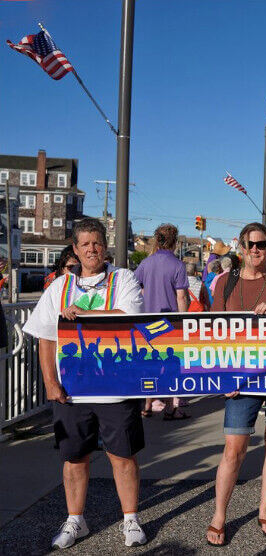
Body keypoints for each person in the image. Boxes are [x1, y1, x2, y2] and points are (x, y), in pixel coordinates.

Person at [22, 218, 147, 549]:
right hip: (72, 391)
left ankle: (131, 519)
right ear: (75, 250)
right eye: (85, 243)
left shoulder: (123, 279)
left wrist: (86, 315)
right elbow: (46, 338)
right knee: (74, 457)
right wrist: (50, 382)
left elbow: (130, 316)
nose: (92, 248)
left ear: (104, 246)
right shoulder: (59, 287)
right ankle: (75, 520)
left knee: (123, 456)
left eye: (97, 242)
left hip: (116, 387)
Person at [206, 222, 266, 545]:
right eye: (251, 245)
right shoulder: (225, 282)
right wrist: (222, 375)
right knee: (234, 448)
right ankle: (219, 515)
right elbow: (212, 332)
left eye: (262, 244)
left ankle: (264, 510)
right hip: (239, 376)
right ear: (241, 247)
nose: (256, 251)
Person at [135, 224, 190, 421]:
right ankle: (169, 407)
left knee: (149, 365)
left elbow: (137, 290)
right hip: (168, 323)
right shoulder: (178, 265)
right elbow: (181, 297)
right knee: (169, 366)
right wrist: (183, 322)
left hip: (146, 321)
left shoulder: (145, 264)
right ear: (175, 243)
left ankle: (147, 405)